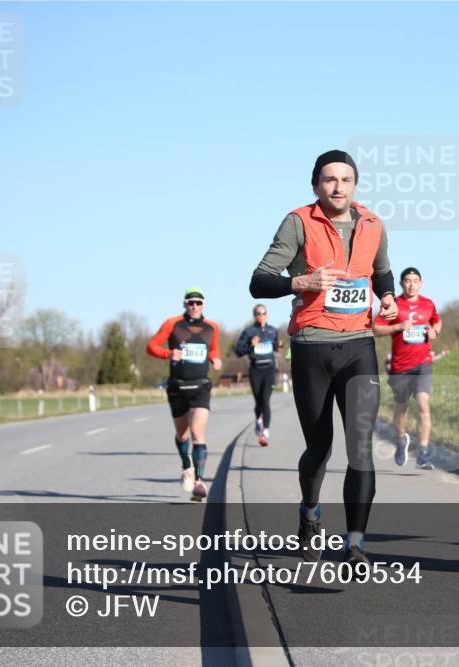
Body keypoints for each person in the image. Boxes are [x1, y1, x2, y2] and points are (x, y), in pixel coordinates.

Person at [250, 149, 397, 568]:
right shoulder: (298, 221)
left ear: (355, 185)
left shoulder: (374, 224)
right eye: (329, 180)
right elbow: (258, 281)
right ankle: (310, 512)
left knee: (361, 449)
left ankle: (355, 545)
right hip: (312, 346)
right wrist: (303, 280)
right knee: (320, 448)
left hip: (359, 346)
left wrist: (385, 296)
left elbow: (382, 270)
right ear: (316, 185)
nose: (338, 187)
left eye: (346, 179)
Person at [146, 288, 223, 501]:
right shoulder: (173, 324)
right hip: (178, 387)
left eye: (198, 302)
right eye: (191, 302)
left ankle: (199, 481)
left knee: (198, 432)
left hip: (201, 386)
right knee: (183, 435)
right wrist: (168, 353)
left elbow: (213, 350)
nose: (194, 306)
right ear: (185, 304)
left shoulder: (212, 327)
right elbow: (151, 346)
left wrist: (215, 359)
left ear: (203, 305)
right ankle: (186, 466)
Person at [373, 267, 441, 469]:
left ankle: (423, 452)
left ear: (421, 283)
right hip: (400, 365)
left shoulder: (428, 304)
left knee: (423, 405)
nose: (411, 284)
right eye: (408, 281)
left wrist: (434, 331)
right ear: (401, 284)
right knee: (401, 409)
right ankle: (401, 439)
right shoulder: (394, 305)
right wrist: (398, 327)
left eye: (415, 280)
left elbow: (437, 322)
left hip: (423, 363)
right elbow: (376, 329)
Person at [234, 304, 283, 446]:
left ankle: (265, 433)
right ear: (254, 315)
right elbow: (238, 351)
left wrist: (278, 346)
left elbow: (274, 345)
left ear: (267, 314)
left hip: (269, 369)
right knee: (259, 403)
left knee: (266, 400)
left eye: (263, 313)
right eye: (258, 313)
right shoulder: (249, 331)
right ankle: (258, 419)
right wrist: (251, 344)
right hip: (255, 370)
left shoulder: (273, 330)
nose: (261, 316)